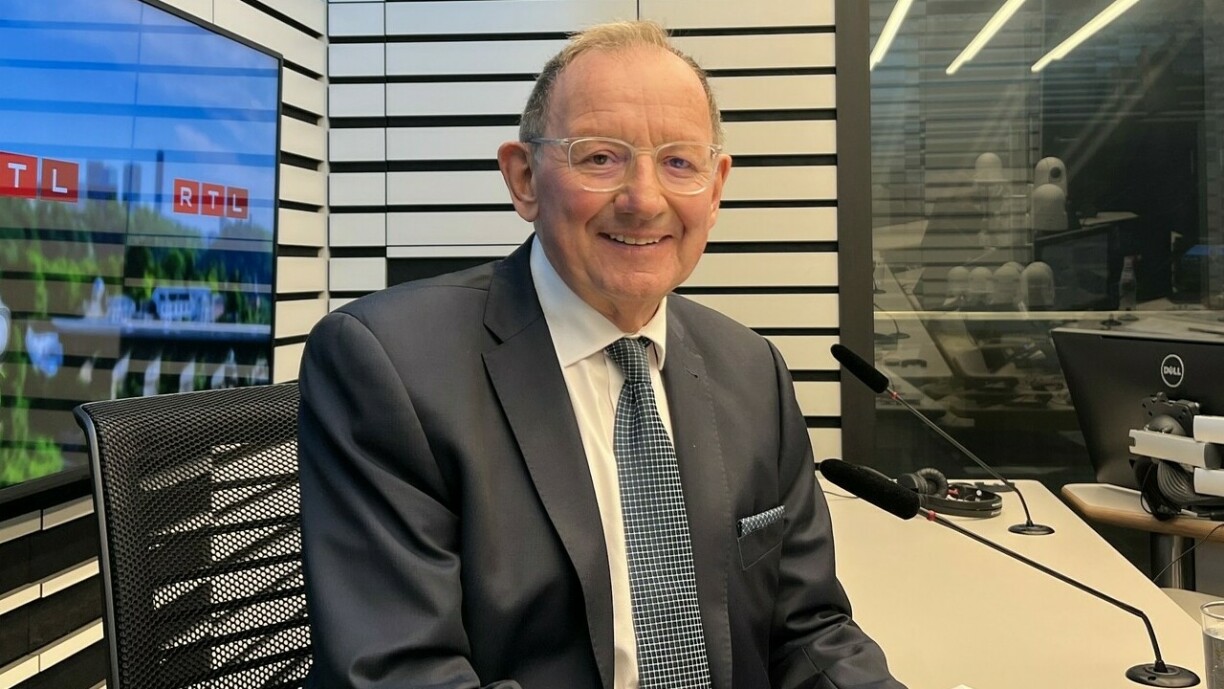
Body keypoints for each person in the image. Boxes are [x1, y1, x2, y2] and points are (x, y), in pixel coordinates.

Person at [297, 20, 905, 689]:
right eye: (599, 158)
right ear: (524, 179)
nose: (644, 200)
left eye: (679, 162)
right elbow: (400, 673)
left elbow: (809, 631)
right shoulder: (389, 365)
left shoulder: (753, 370)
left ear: (715, 189)